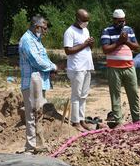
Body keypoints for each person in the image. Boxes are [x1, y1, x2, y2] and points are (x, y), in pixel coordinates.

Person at [19, 15, 57, 154]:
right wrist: (53, 67)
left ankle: (38, 144)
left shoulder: (36, 40)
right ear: (37, 27)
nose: (46, 31)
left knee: (38, 113)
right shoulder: (27, 40)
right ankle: (31, 147)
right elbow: (36, 61)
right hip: (31, 82)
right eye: (44, 28)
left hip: (39, 81)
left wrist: (50, 69)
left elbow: (42, 58)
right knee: (32, 115)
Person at [101, 9, 140, 127]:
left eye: (123, 21)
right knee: (115, 95)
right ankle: (118, 121)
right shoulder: (107, 31)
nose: (121, 23)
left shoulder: (129, 30)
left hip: (129, 67)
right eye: (119, 21)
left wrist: (126, 41)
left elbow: (136, 46)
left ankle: (137, 120)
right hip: (114, 68)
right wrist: (119, 42)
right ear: (113, 20)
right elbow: (105, 49)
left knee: (134, 93)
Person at [63, 9, 95, 132]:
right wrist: (85, 44)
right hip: (76, 68)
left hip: (87, 66)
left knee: (84, 95)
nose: (86, 23)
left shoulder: (85, 30)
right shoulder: (70, 32)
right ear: (77, 19)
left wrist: (91, 43)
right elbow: (68, 51)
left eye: (87, 21)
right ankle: (75, 121)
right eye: (84, 21)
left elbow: (89, 47)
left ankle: (82, 120)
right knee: (76, 95)